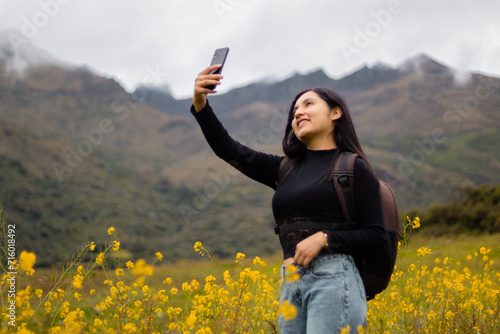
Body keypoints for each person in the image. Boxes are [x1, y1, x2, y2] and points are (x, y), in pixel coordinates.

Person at [191, 64, 387, 333]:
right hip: (291, 280)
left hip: (334, 277)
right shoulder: (284, 168)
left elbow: (377, 236)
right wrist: (201, 104)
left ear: (335, 113)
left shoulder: (352, 166)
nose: (298, 112)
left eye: (308, 104)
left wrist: (324, 238)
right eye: (294, 111)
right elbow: (229, 150)